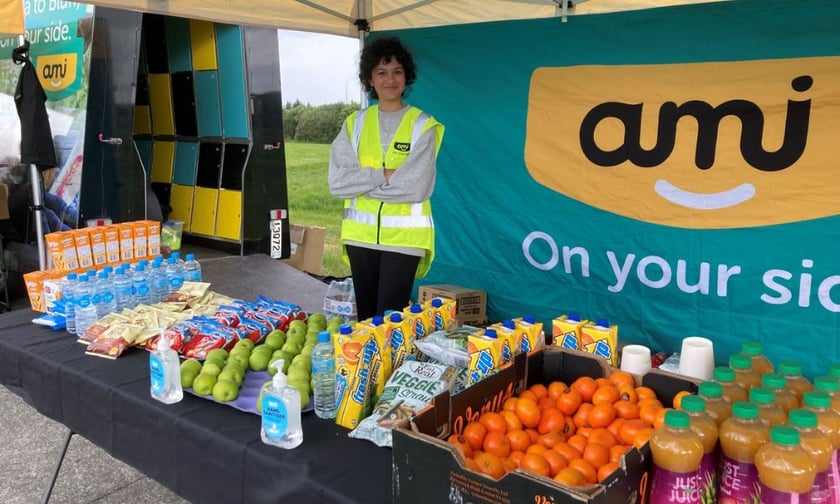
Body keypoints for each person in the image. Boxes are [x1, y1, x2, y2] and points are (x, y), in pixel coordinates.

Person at [328, 36, 445, 321]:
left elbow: (416, 187)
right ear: (370, 79)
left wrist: (364, 186)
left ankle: (389, 367)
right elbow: (338, 183)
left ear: (407, 77)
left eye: (397, 71)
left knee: (389, 320)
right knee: (366, 320)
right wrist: (384, 175)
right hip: (360, 239)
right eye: (381, 72)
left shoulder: (423, 125)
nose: (389, 79)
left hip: (403, 241)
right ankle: (367, 367)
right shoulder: (354, 124)